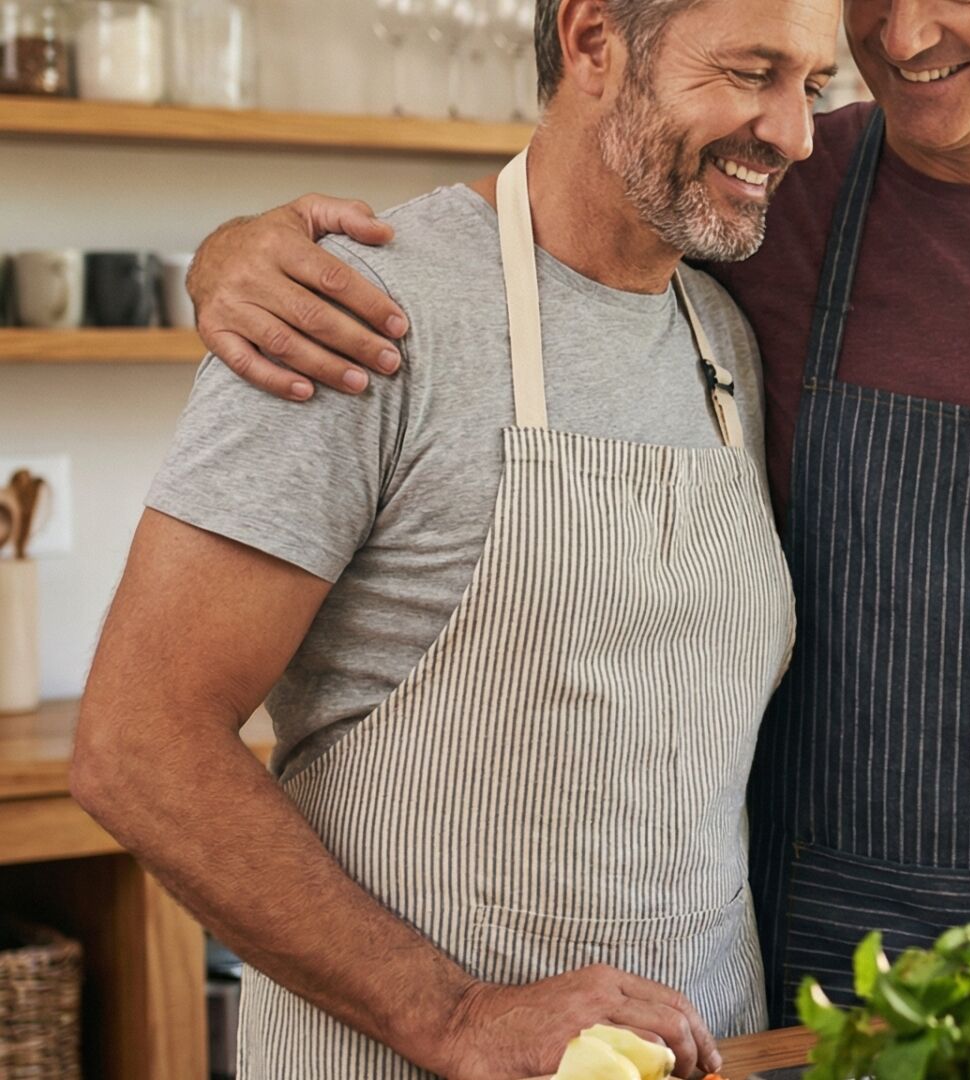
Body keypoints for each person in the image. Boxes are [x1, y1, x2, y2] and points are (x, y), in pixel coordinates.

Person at [183, 0, 970, 1022]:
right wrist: (237, 257)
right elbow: (563, 202)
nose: (904, 37)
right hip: (805, 973)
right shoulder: (775, 193)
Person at [70, 0, 838, 1074]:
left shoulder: (723, 343)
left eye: (814, 86)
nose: (796, 133)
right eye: (752, 72)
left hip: (703, 1052)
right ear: (592, 40)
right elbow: (137, 744)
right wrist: (456, 1014)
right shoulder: (355, 311)